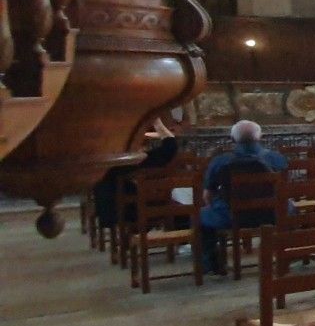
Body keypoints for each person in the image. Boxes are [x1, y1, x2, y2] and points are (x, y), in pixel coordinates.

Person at [199, 119, 287, 274]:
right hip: (272, 214)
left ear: (232, 139)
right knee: (290, 209)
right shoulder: (276, 158)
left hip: (231, 216)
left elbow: (207, 196)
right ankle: (287, 255)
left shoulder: (220, 161)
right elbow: (285, 189)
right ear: (260, 137)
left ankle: (211, 263)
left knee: (200, 216)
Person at [93, 117, 180, 230]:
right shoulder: (132, 160)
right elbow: (170, 146)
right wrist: (157, 122)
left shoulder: (108, 161)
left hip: (115, 212)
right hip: (134, 210)